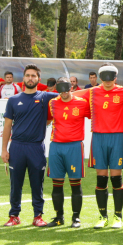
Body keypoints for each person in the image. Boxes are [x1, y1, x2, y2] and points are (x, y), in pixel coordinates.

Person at [72, 64, 123, 229]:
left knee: (116, 178)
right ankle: (102, 216)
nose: (108, 82)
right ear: (100, 78)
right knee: (101, 178)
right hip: (98, 138)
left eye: (111, 78)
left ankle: (118, 217)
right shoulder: (92, 92)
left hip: (116, 138)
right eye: (104, 79)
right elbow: (70, 95)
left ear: (116, 77)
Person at [0, 64, 59, 226]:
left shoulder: (45, 97)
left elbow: (66, 94)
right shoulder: (13, 100)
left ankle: (37, 216)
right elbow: (7, 126)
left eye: (34, 76)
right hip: (17, 147)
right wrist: (4, 149)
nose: (30, 78)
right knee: (15, 184)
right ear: (23, 79)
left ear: (39, 79)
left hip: (36, 148)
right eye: (28, 75)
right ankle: (14, 216)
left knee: (37, 184)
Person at [45, 77, 90, 227]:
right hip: (56, 146)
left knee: (75, 184)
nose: (63, 93)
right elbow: (47, 120)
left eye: (66, 89)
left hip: (74, 146)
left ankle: (76, 218)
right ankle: (59, 217)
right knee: (56, 184)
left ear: (71, 87)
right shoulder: (52, 103)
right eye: (60, 90)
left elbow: (95, 116)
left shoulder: (82, 103)